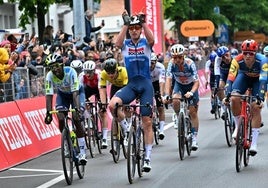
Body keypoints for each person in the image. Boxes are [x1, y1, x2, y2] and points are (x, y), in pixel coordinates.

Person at [108, 10, 155, 172]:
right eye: (132, 28)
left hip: (146, 85)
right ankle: (127, 129)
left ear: (140, 29)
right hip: (132, 85)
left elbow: (152, 39)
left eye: (137, 28)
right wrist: (126, 24)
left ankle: (147, 157)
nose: (134, 30)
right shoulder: (126, 44)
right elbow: (117, 44)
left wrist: (143, 23)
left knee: (147, 121)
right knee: (112, 105)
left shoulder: (145, 43)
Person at [224, 39, 267, 156]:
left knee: (255, 107)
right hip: (243, 77)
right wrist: (227, 94)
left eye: (251, 53)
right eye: (245, 53)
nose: (247, 56)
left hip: (258, 81)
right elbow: (230, 78)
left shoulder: (263, 60)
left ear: (255, 53)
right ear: (242, 52)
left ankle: (254, 143)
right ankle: (238, 126)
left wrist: (261, 98)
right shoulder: (237, 60)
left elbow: (263, 80)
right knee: (234, 98)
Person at [43, 53, 87, 165]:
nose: (55, 69)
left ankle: (82, 151)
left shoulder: (71, 71)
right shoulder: (49, 76)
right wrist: (48, 112)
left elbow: (75, 93)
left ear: (62, 65)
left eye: (57, 66)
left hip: (76, 94)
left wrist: (77, 109)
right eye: (52, 67)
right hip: (63, 96)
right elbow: (49, 95)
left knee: (76, 118)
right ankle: (66, 142)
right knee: (60, 116)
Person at [163, 44, 200, 151]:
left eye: (179, 57)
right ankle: (178, 116)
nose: (177, 60)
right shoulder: (171, 64)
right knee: (175, 100)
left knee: (193, 112)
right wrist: (166, 94)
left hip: (191, 86)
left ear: (183, 56)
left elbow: (197, 82)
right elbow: (169, 80)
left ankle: (194, 137)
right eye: (175, 57)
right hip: (179, 85)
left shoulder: (190, 63)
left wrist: (192, 92)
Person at [99, 58, 129, 148]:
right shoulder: (103, 73)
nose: (111, 75)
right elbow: (102, 89)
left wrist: (125, 103)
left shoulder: (123, 71)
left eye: (113, 72)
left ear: (117, 69)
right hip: (115, 87)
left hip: (126, 86)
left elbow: (126, 91)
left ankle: (128, 128)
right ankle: (116, 138)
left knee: (124, 107)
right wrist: (104, 104)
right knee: (113, 110)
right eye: (109, 73)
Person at [150, 52, 166, 139]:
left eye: (152, 63)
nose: (150, 65)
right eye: (149, 63)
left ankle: (162, 129)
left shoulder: (160, 67)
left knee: (160, 107)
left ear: (156, 62)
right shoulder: (145, 67)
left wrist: (161, 95)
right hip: (148, 82)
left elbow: (162, 82)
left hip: (157, 83)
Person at [214, 46, 232, 119]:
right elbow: (217, 73)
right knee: (219, 87)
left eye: (227, 55)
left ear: (229, 53)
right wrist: (216, 88)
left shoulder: (235, 57)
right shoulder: (217, 59)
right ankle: (224, 108)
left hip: (233, 74)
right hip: (224, 75)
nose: (226, 58)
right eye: (223, 57)